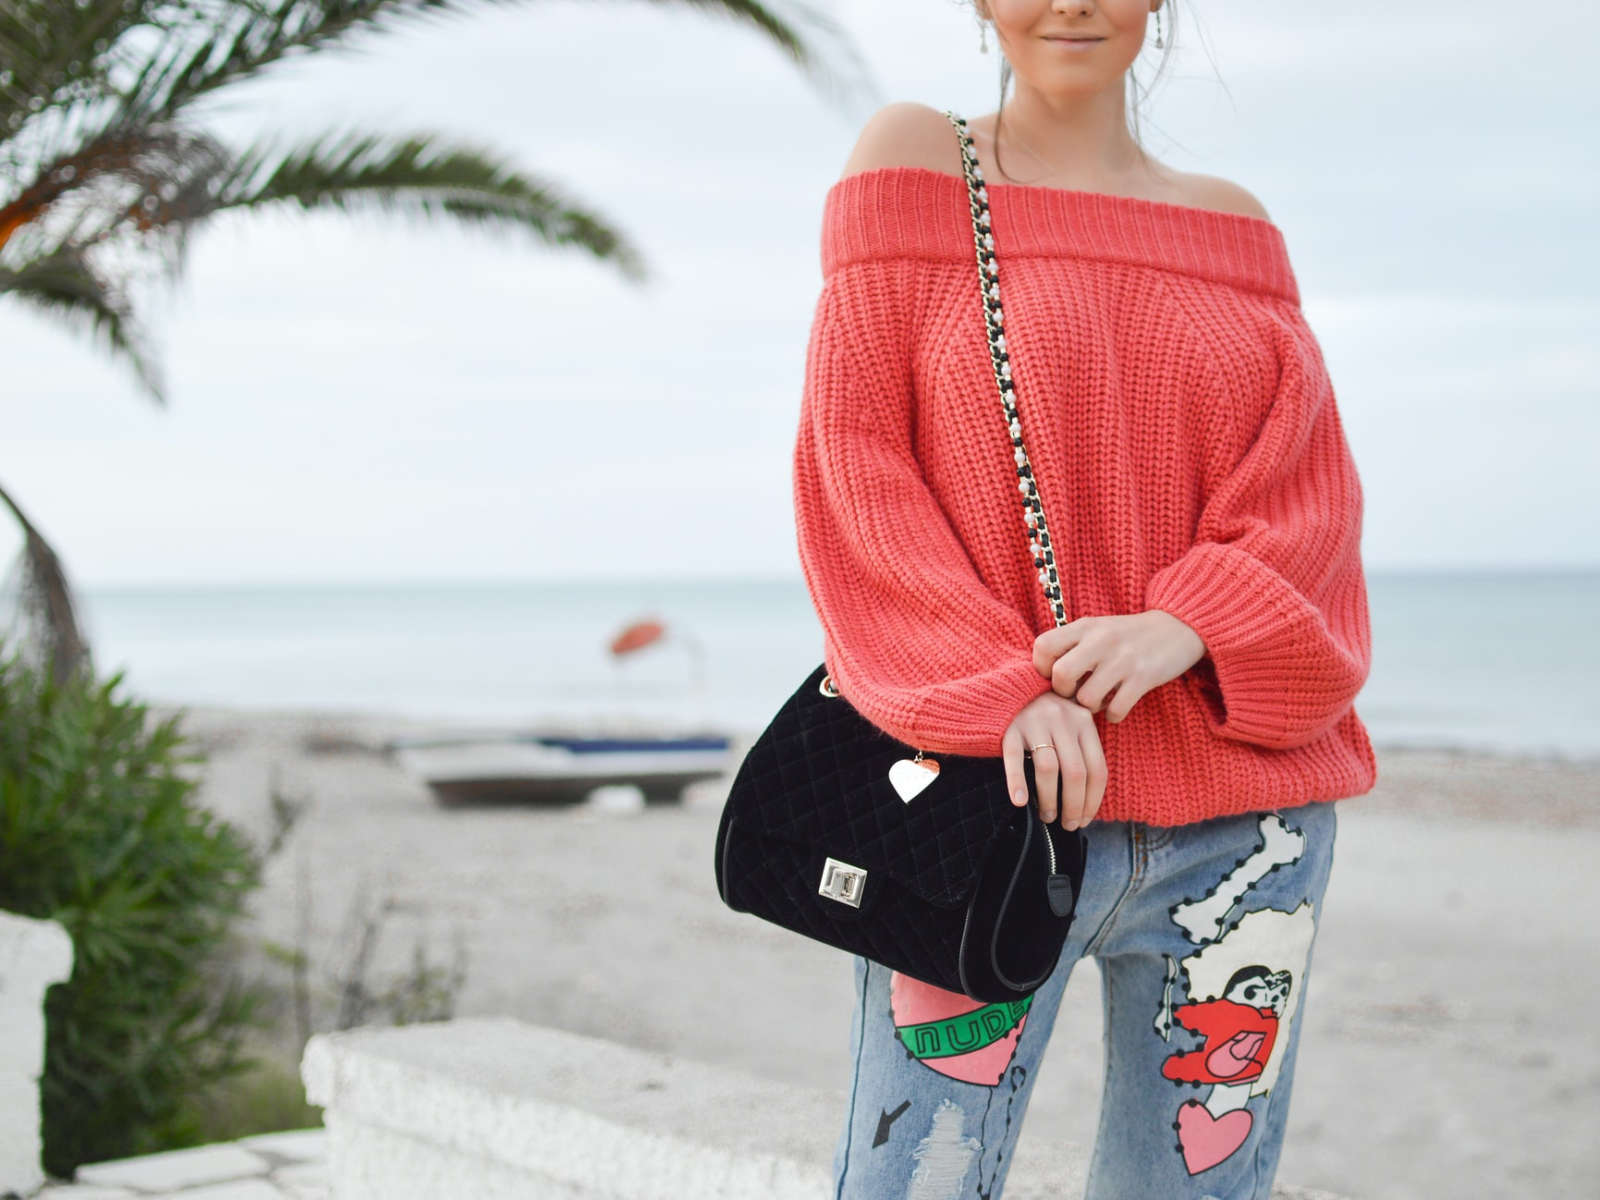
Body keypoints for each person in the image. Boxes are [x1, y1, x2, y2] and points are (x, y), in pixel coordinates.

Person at [790, 3, 1378, 1198]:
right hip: (987, 812)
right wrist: (1000, 689)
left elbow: (1308, 501)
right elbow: (858, 467)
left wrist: (1189, 622)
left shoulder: (1234, 226)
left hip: (1246, 837)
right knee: (915, 1181)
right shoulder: (913, 159)